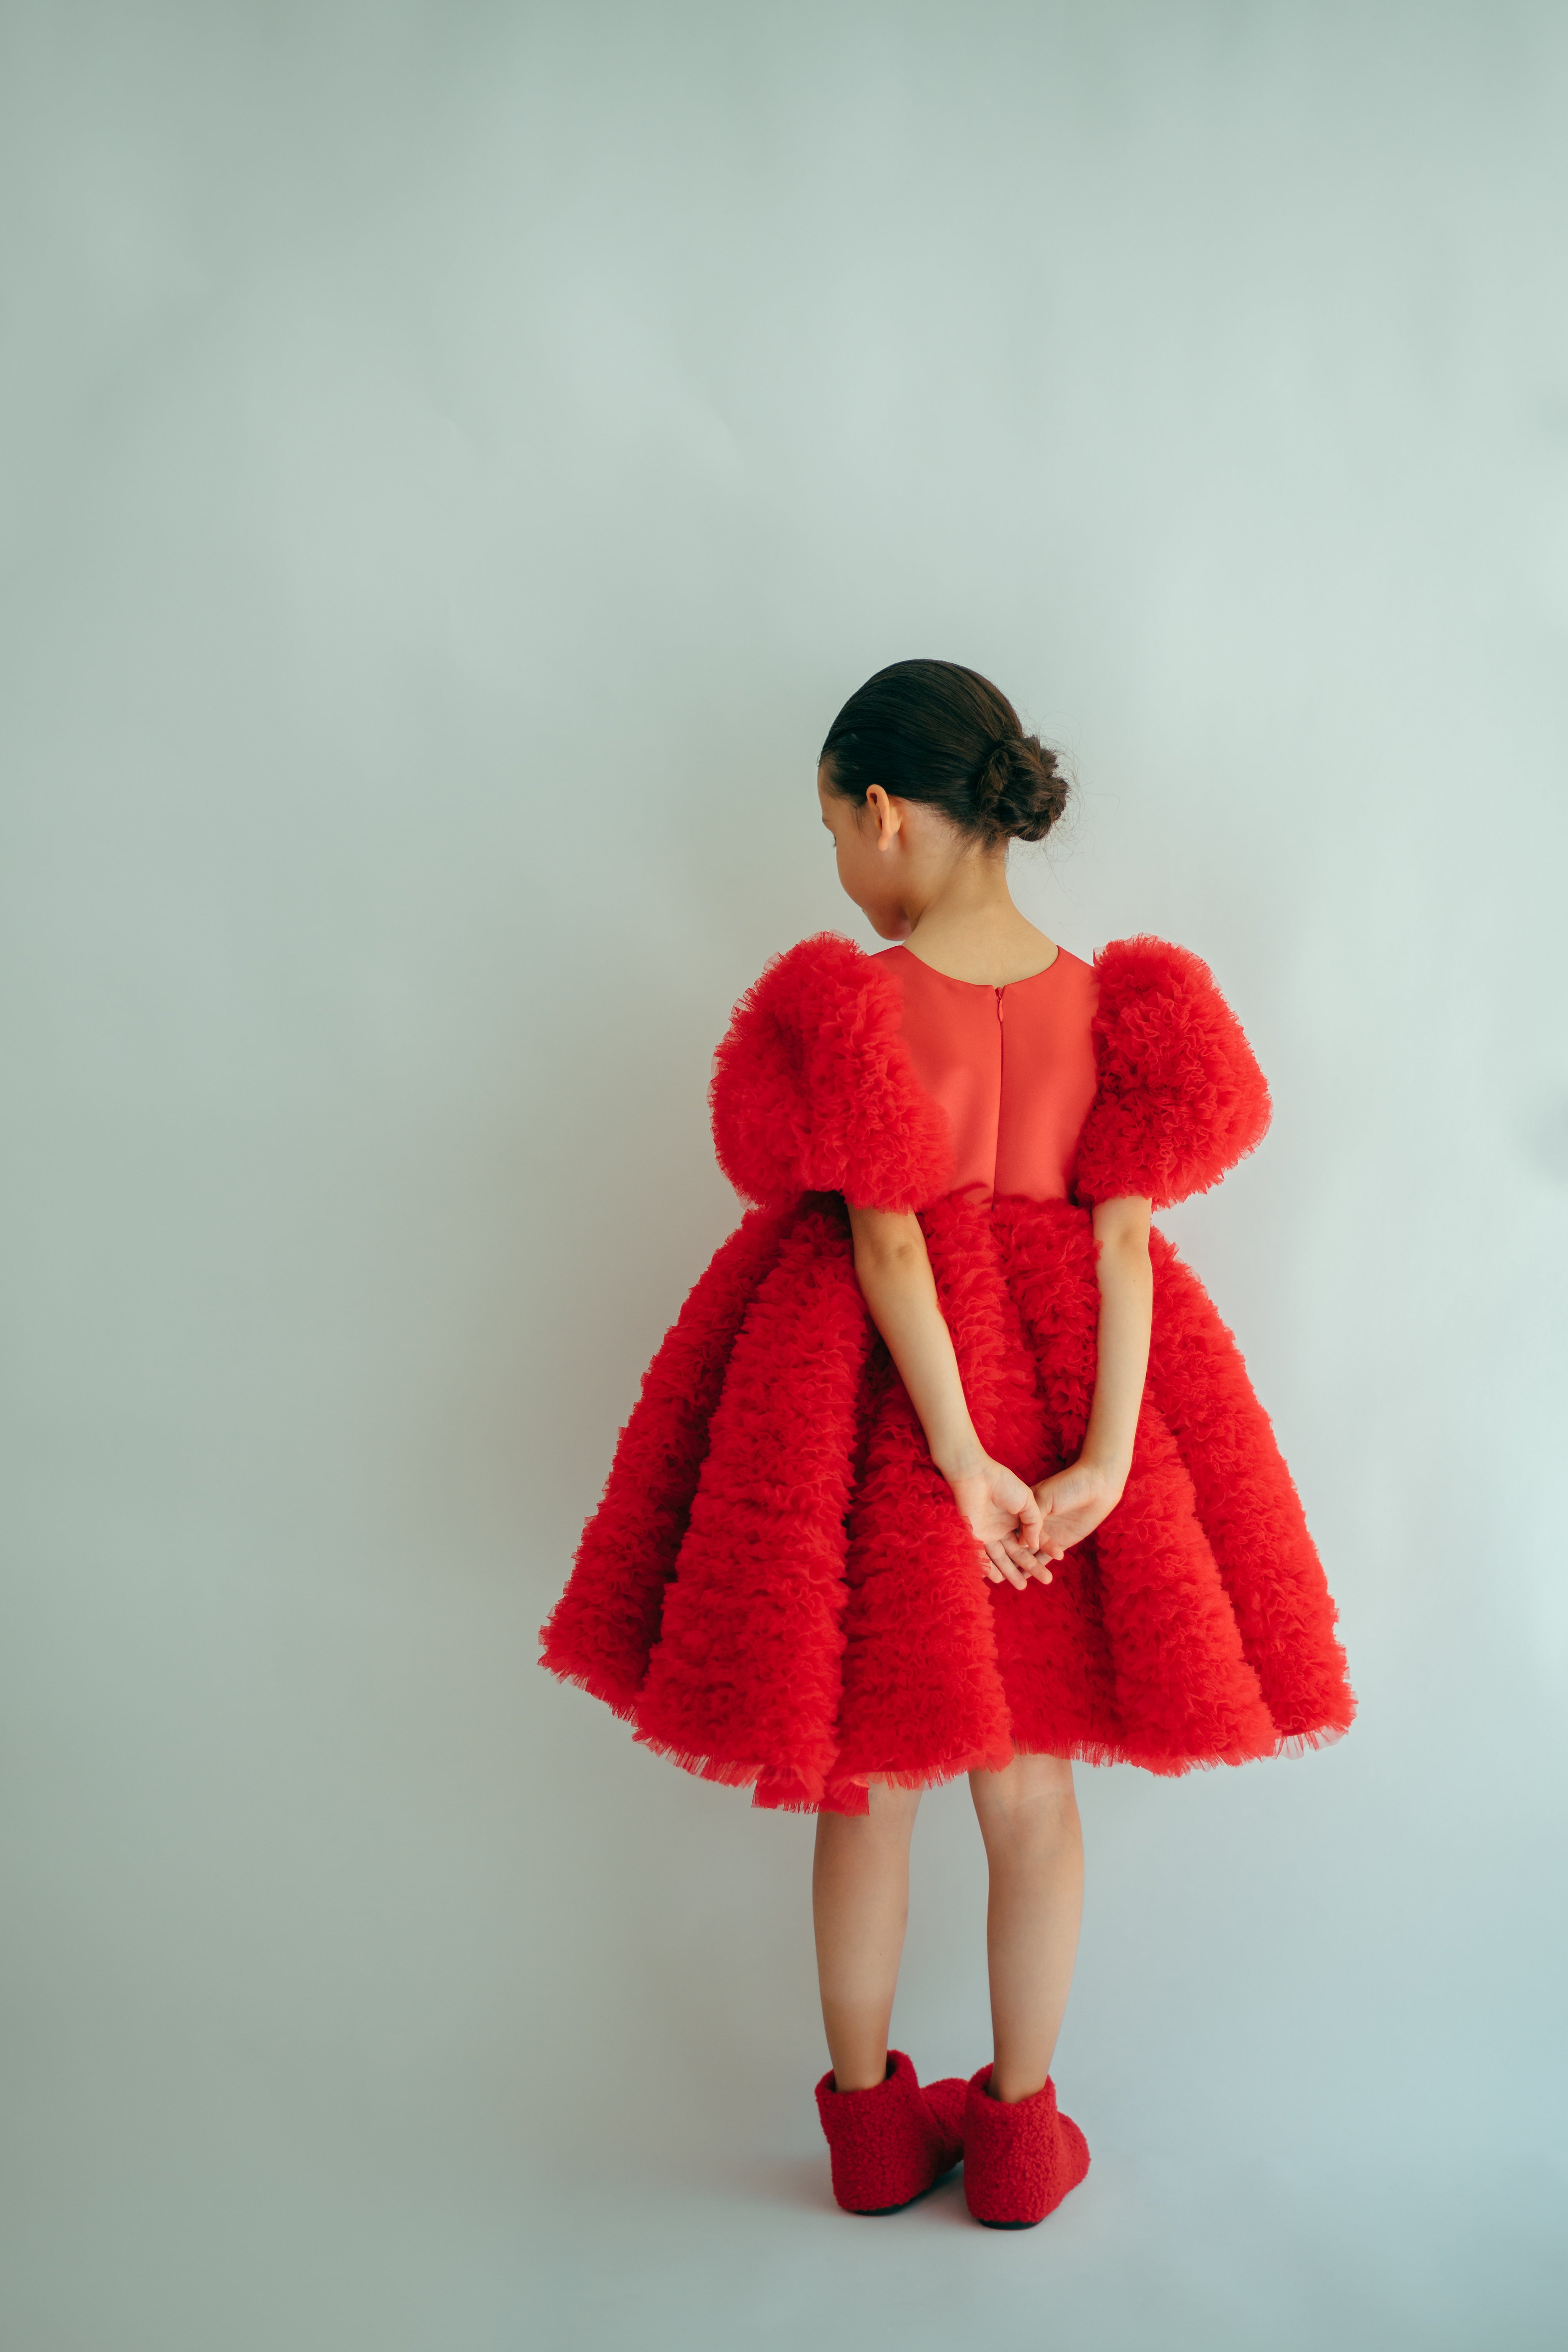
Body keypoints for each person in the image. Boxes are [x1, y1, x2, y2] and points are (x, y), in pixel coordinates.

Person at [539, 658, 1354, 2229]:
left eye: (831, 831)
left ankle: (866, 2131)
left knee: (871, 1783)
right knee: (1031, 1796)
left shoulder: (856, 1007)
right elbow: (1123, 1246)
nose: (839, 867)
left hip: (880, 1411)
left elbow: (891, 1243)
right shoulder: (1111, 1006)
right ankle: (1023, 2138)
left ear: (884, 811)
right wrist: (1099, 1463)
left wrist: (957, 1457)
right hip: (1062, 1398)